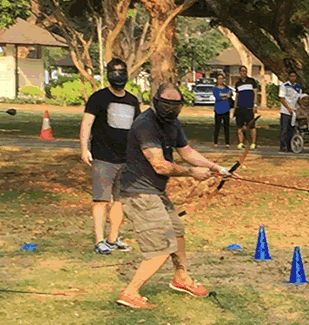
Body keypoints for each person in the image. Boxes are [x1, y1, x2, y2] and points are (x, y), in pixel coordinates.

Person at [116, 83, 235, 309]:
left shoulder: (172, 124)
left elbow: (186, 152)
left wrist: (216, 168)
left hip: (155, 191)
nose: (170, 110)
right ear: (155, 102)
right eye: (166, 105)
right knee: (162, 246)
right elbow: (160, 165)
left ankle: (181, 278)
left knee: (177, 231)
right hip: (138, 192)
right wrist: (192, 173)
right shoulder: (145, 125)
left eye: (175, 106)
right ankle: (130, 292)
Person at [79, 58, 141, 255]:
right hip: (103, 158)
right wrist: (84, 149)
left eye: (121, 72)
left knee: (120, 200)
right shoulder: (98, 98)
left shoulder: (132, 100)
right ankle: (99, 241)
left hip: (127, 159)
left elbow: (138, 129)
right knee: (101, 200)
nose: (118, 77)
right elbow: (86, 124)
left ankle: (113, 239)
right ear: (108, 74)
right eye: (114, 73)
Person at [234, 65, 260, 150]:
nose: (244, 73)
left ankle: (253, 143)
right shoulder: (238, 83)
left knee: (252, 126)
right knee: (240, 126)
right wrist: (235, 107)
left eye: (245, 71)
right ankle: (241, 142)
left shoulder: (252, 81)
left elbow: (255, 93)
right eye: (242, 71)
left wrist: (255, 105)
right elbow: (237, 96)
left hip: (249, 107)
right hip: (240, 107)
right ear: (239, 72)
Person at [278, 70, 302, 152]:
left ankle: (290, 146)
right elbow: (282, 98)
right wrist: (288, 108)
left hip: (294, 111)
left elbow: (299, 98)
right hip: (285, 111)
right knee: (284, 129)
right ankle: (283, 146)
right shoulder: (284, 86)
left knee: (291, 130)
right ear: (288, 77)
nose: (293, 78)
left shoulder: (298, 87)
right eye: (291, 76)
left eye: (294, 76)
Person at [210, 72, 233, 148]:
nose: (220, 80)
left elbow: (229, 95)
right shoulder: (215, 88)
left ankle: (227, 143)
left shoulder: (227, 88)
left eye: (221, 79)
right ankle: (215, 142)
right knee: (217, 126)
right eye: (219, 79)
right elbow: (218, 97)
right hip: (218, 109)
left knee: (226, 127)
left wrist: (225, 95)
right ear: (216, 80)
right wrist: (225, 95)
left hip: (226, 108)